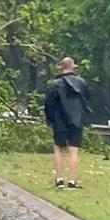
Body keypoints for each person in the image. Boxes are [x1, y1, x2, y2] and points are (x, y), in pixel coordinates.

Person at [44, 57, 91, 189]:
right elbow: (87, 99)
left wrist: (50, 119)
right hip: (76, 120)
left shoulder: (55, 85)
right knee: (74, 151)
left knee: (58, 149)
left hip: (59, 121)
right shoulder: (82, 83)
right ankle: (72, 181)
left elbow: (49, 105)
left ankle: (59, 180)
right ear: (73, 67)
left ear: (61, 67)